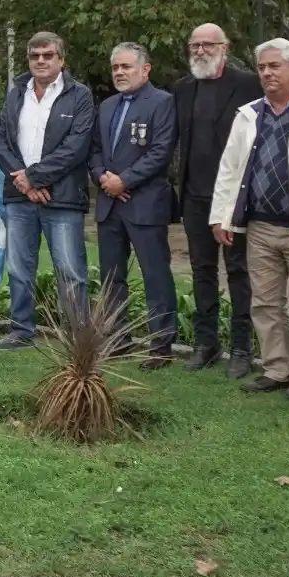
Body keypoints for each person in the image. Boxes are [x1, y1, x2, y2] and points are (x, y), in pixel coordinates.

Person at [210, 38, 289, 400]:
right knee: (265, 301)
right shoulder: (249, 114)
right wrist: (221, 216)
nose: (266, 73)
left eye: (275, 66)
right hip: (258, 225)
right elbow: (229, 169)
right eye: (262, 67)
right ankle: (276, 368)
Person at [0, 32, 95, 349]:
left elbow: (76, 146)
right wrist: (24, 182)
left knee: (71, 270)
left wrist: (35, 177)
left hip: (61, 196)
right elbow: (2, 141)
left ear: (61, 60)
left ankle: (78, 337)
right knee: (21, 269)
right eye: (35, 55)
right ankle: (22, 331)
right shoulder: (16, 94)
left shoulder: (79, 96)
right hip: (18, 197)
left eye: (48, 55)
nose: (41, 61)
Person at [173, 24, 262, 377]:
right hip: (195, 196)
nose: (200, 50)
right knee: (202, 271)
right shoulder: (183, 88)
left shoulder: (248, 84)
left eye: (207, 44)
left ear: (225, 47)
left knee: (239, 272)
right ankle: (206, 344)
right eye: (194, 44)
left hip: (235, 197)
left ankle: (242, 348)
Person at [88, 43, 178, 368]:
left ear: (145, 69)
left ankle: (161, 346)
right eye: (116, 68)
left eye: (126, 67)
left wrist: (123, 180)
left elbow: (160, 151)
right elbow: (95, 149)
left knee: (155, 276)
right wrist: (103, 179)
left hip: (144, 204)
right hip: (109, 205)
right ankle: (118, 339)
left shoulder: (162, 102)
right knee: (112, 278)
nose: (120, 73)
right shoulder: (108, 105)